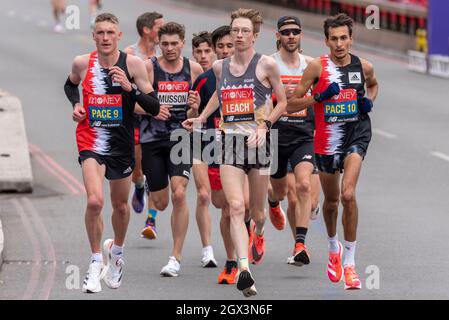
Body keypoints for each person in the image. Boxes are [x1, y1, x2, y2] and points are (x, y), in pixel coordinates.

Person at [183, 8, 287, 297]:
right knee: (236, 208)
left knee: (257, 212)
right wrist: (202, 117)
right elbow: (219, 94)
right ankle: (244, 269)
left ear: (254, 36)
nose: (238, 36)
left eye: (244, 31)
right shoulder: (220, 68)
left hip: (260, 144)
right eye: (235, 31)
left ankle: (260, 233)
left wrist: (265, 125)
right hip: (229, 143)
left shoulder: (266, 65)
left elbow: (283, 103)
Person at [64, 13, 160, 293]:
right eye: (100, 33)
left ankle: (116, 253)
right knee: (94, 201)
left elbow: (154, 106)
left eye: (110, 33)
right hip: (90, 139)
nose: (105, 38)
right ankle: (95, 261)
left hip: (121, 144)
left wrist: (130, 88)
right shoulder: (82, 63)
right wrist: (76, 105)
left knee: (120, 206)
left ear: (119, 36)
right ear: (94, 36)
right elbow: (70, 85)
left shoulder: (133, 64)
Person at [287, 13, 378, 290]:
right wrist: (318, 98)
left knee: (349, 194)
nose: (339, 44)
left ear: (351, 39)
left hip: (357, 133)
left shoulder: (363, 66)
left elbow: (373, 85)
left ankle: (350, 264)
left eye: (343, 38)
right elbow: (291, 105)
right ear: (326, 40)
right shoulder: (316, 67)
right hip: (327, 139)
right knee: (331, 202)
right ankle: (333, 246)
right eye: (333, 39)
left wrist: (368, 102)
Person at [140, 22, 203, 277]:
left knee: (179, 195)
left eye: (174, 43)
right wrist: (152, 109)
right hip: (152, 140)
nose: (169, 48)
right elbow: (134, 102)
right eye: (164, 44)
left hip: (180, 137)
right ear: (158, 44)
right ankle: (148, 187)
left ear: (182, 43)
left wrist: (195, 109)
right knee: (162, 202)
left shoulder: (194, 69)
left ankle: (175, 257)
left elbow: (197, 112)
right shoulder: (148, 67)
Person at [190, 25, 241, 282]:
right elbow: (194, 117)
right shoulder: (204, 80)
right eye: (220, 46)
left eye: (229, 46)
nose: (224, 51)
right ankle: (232, 261)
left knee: (244, 208)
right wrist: (194, 113)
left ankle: (247, 237)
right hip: (215, 146)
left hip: (247, 146)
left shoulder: (253, 73)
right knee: (223, 206)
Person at [267, 15, 318, 267]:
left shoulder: (310, 66)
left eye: (295, 32)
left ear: (301, 35)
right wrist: (279, 99)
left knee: (304, 188)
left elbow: (324, 99)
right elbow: (259, 102)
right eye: (285, 32)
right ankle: (273, 202)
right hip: (276, 136)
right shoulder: (269, 64)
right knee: (280, 191)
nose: (290, 36)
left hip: (304, 136)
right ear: (278, 36)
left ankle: (300, 244)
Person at [124, 12, 164, 240]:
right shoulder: (130, 55)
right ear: (147, 30)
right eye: (161, 27)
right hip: (136, 118)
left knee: (155, 169)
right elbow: (125, 96)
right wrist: (149, 108)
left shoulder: (165, 54)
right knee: (138, 169)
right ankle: (138, 184)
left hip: (158, 122)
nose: (165, 31)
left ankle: (151, 219)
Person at [189, 31, 218, 267]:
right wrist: (195, 110)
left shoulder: (235, 76)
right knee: (203, 194)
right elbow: (191, 117)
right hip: (201, 139)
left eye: (207, 51)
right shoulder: (199, 80)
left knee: (228, 203)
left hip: (231, 141)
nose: (203, 56)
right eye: (198, 51)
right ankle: (207, 249)